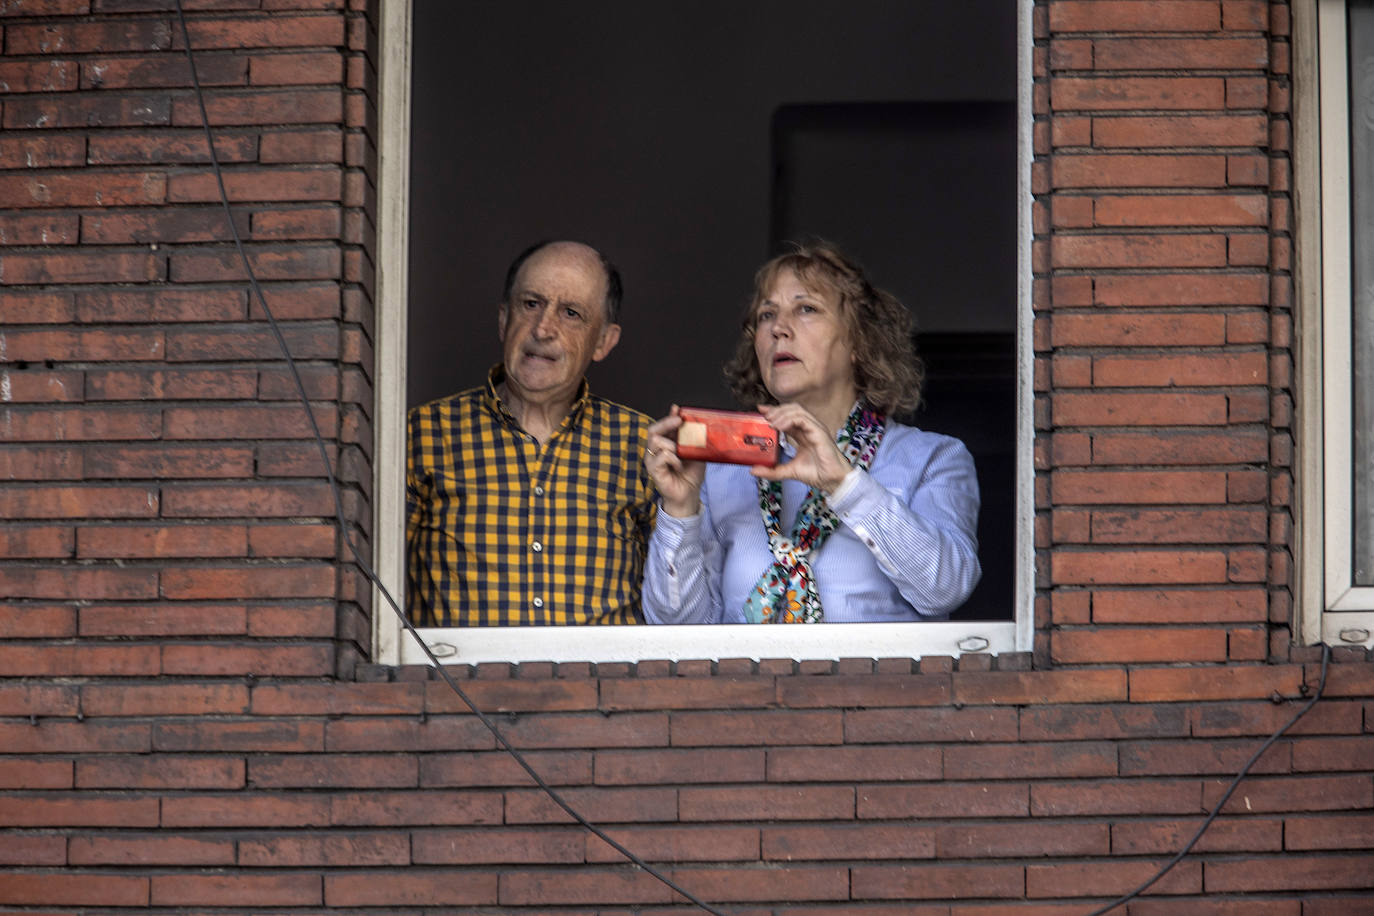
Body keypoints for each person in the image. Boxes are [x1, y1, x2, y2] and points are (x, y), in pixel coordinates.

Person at [641, 242, 980, 624]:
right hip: (746, 684)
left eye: (806, 309)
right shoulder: (719, 472)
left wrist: (846, 484)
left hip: (875, 685)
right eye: (767, 315)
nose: (778, 329)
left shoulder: (933, 458)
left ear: (858, 341)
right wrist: (680, 511)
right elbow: (674, 631)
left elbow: (946, 591)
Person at [406, 240, 655, 626]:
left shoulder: (643, 445)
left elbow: (678, 609)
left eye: (571, 313)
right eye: (531, 304)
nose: (543, 328)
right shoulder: (421, 435)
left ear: (604, 341)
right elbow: (370, 589)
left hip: (600, 687)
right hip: (453, 684)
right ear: (504, 320)